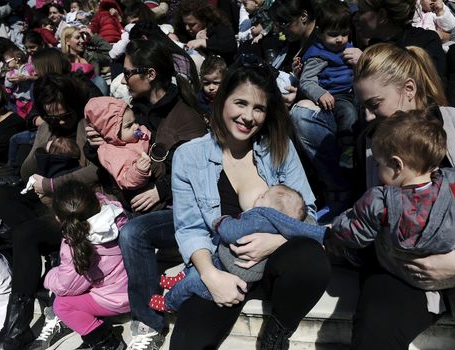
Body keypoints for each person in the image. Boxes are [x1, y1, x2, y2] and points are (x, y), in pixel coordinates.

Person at [349, 42, 455, 350]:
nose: (369, 117)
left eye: (375, 104)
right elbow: (363, 220)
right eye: (363, 107)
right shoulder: (368, 146)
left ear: (408, 89)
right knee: (374, 325)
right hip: (407, 270)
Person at [168, 59, 331, 350]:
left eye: (258, 108)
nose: (248, 116)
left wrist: (276, 240)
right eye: (240, 103)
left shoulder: (278, 147)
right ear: (220, 101)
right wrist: (211, 276)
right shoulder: (188, 157)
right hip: (223, 266)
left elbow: (308, 211)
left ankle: (276, 336)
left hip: (275, 263)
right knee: (185, 344)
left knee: (311, 260)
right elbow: (190, 228)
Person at [87, 38, 207, 350]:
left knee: (133, 235)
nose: (122, 78)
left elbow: (201, 173)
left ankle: (150, 323)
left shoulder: (186, 117)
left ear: (150, 74)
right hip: (134, 204)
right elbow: (112, 160)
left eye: (127, 73)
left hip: (179, 210)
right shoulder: (130, 110)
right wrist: (95, 142)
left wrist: (160, 190)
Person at [0, 74, 100, 350]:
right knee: (0, 193)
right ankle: (52, 253)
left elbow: (97, 171)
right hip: (46, 204)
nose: (61, 122)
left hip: (78, 207)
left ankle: (16, 326)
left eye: (65, 116)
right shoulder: (47, 128)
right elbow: (27, 171)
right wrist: (44, 147)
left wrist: (52, 183)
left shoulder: (88, 124)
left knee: (25, 234)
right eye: (53, 117)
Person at [329, 109, 455, 316]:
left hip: (402, 273)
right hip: (443, 275)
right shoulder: (450, 184)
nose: (377, 169)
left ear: (397, 164)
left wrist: (339, 223)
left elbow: (355, 235)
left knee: (354, 246)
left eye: (379, 164)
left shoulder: (380, 200)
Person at [149, 184, 328, 312]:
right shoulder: (285, 223)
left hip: (231, 276)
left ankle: (169, 303)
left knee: (193, 282)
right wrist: (325, 234)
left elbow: (231, 232)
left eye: (264, 195)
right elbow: (305, 229)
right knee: (201, 261)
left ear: (269, 206)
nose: (260, 196)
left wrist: (221, 221)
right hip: (231, 266)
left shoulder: (261, 216)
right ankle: (179, 278)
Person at [42, 180, 129, 350]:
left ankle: (106, 343)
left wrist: (49, 276)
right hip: (134, 284)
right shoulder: (115, 213)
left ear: (58, 218)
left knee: (61, 305)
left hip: (118, 298)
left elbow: (67, 287)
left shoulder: (76, 244)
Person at [299, 0, 358, 172]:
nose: (340, 39)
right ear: (319, 32)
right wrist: (320, 94)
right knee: (348, 112)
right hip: (335, 96)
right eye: (333, 34)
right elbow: (306, 81)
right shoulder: (318, 55)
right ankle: (347, 151)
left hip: (354, 91)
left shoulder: (349, 48)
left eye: (344, 34)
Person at [85, 96, 152, 190]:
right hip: (140, 190)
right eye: (129, 126)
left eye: (135, 121)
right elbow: (124, 179)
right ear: (112, 133)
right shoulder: (112, 154)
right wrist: (138, 171)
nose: (136, 126)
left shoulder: (137, 134)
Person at [173, 0, 237, 65]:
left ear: (203, 20)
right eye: (185, 24)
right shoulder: (182, 29)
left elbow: (230, 46)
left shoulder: (218, 25)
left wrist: (203, 42)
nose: (187, 28)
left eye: (192, 25)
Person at [3, 47, 34, 118]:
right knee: (22, 118)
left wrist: (25, 77)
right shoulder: (10, 73)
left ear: (17, 60)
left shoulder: (29, 67)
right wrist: (9, 80)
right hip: (19, 101)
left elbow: (36, 77)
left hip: (31, 99)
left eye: (7, 62)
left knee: (33, 115)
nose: (6, 64)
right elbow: (8, 87)